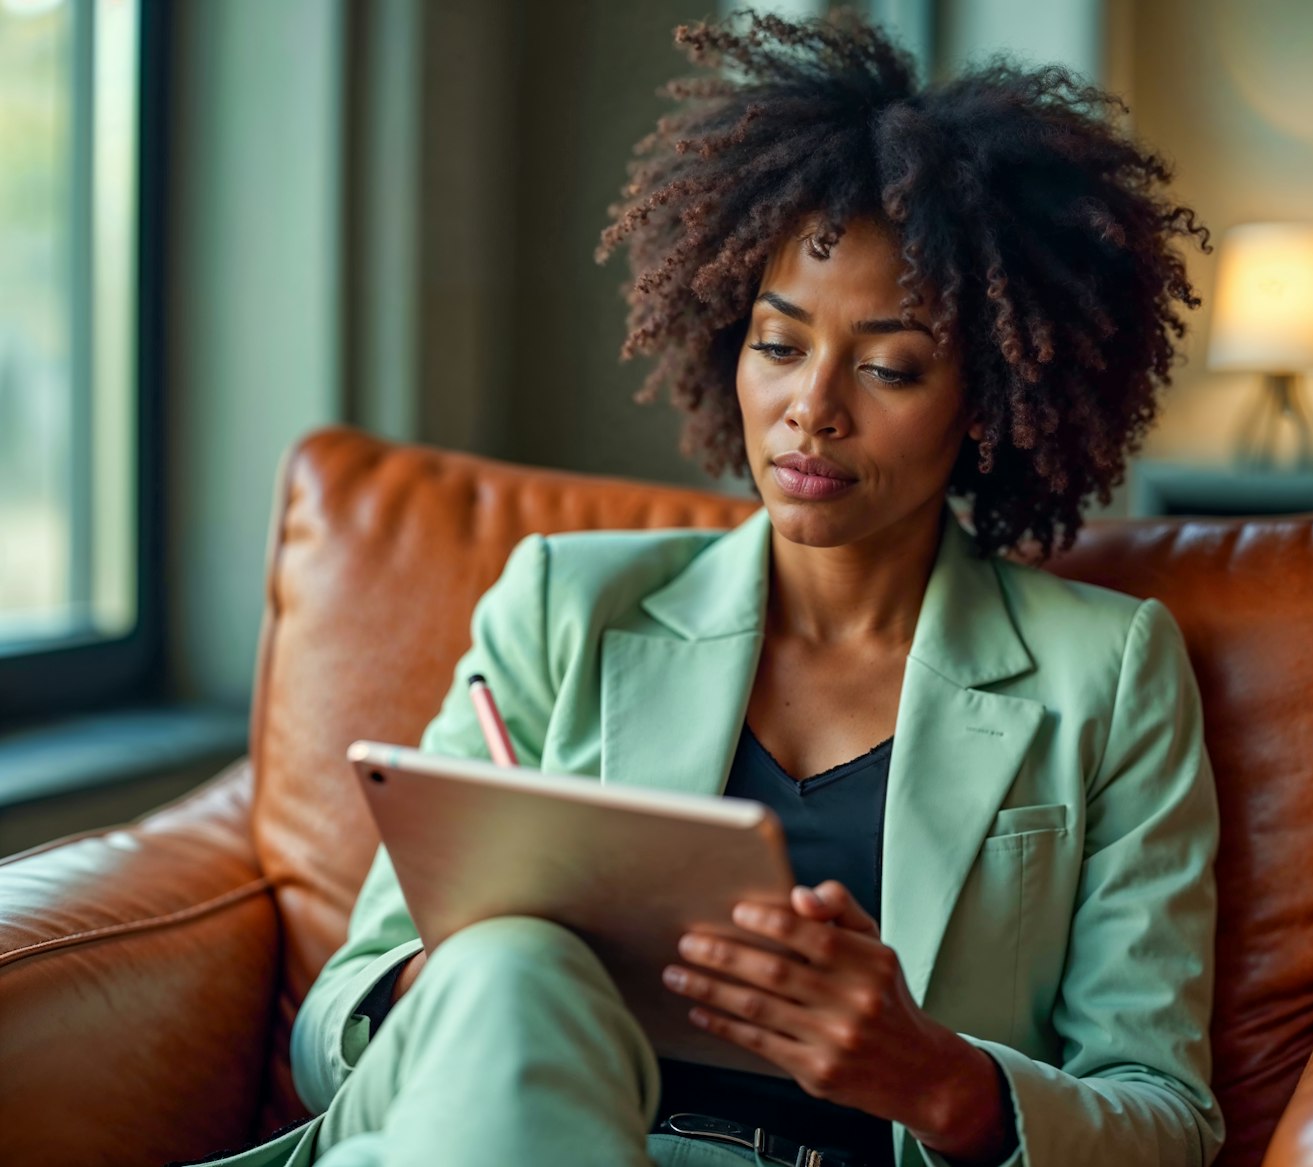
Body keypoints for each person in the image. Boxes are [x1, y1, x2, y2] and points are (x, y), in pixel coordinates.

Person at [186, 7, 1219, 1167]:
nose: (813, 407)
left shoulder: (1111, 673)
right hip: (513, 1123)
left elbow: (1164, 1119)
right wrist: (460, 970)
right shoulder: (563, 609)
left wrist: (935, 1076)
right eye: (778, 345)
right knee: (517, 970)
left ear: (987, 402)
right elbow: (337, 1033)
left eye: (889, 366)